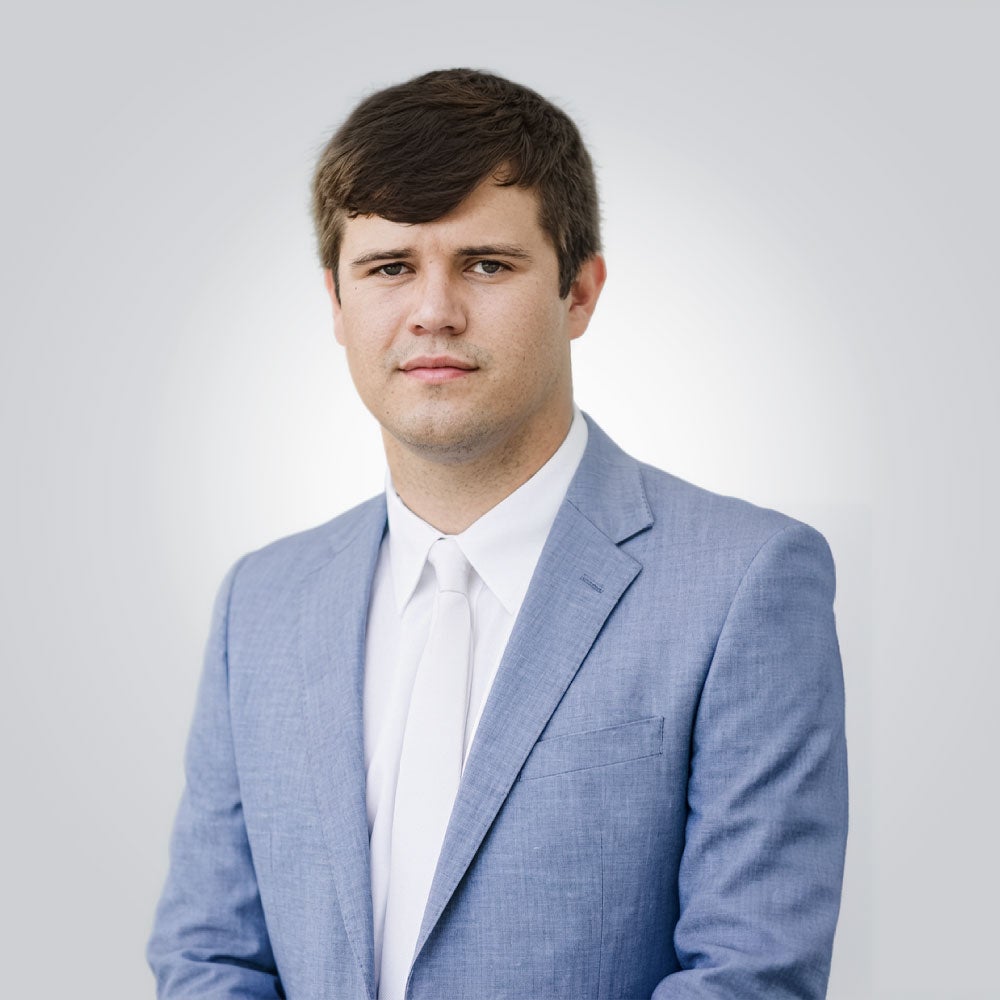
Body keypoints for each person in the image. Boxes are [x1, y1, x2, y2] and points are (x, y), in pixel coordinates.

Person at [147, 68, 848, 999]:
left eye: (486, 263)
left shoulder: (745, 582)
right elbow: (210, 960)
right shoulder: (263, 601)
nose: (434, 310)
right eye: (390, 267)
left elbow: (749, 976)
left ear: (580, 292)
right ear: (337, 305)